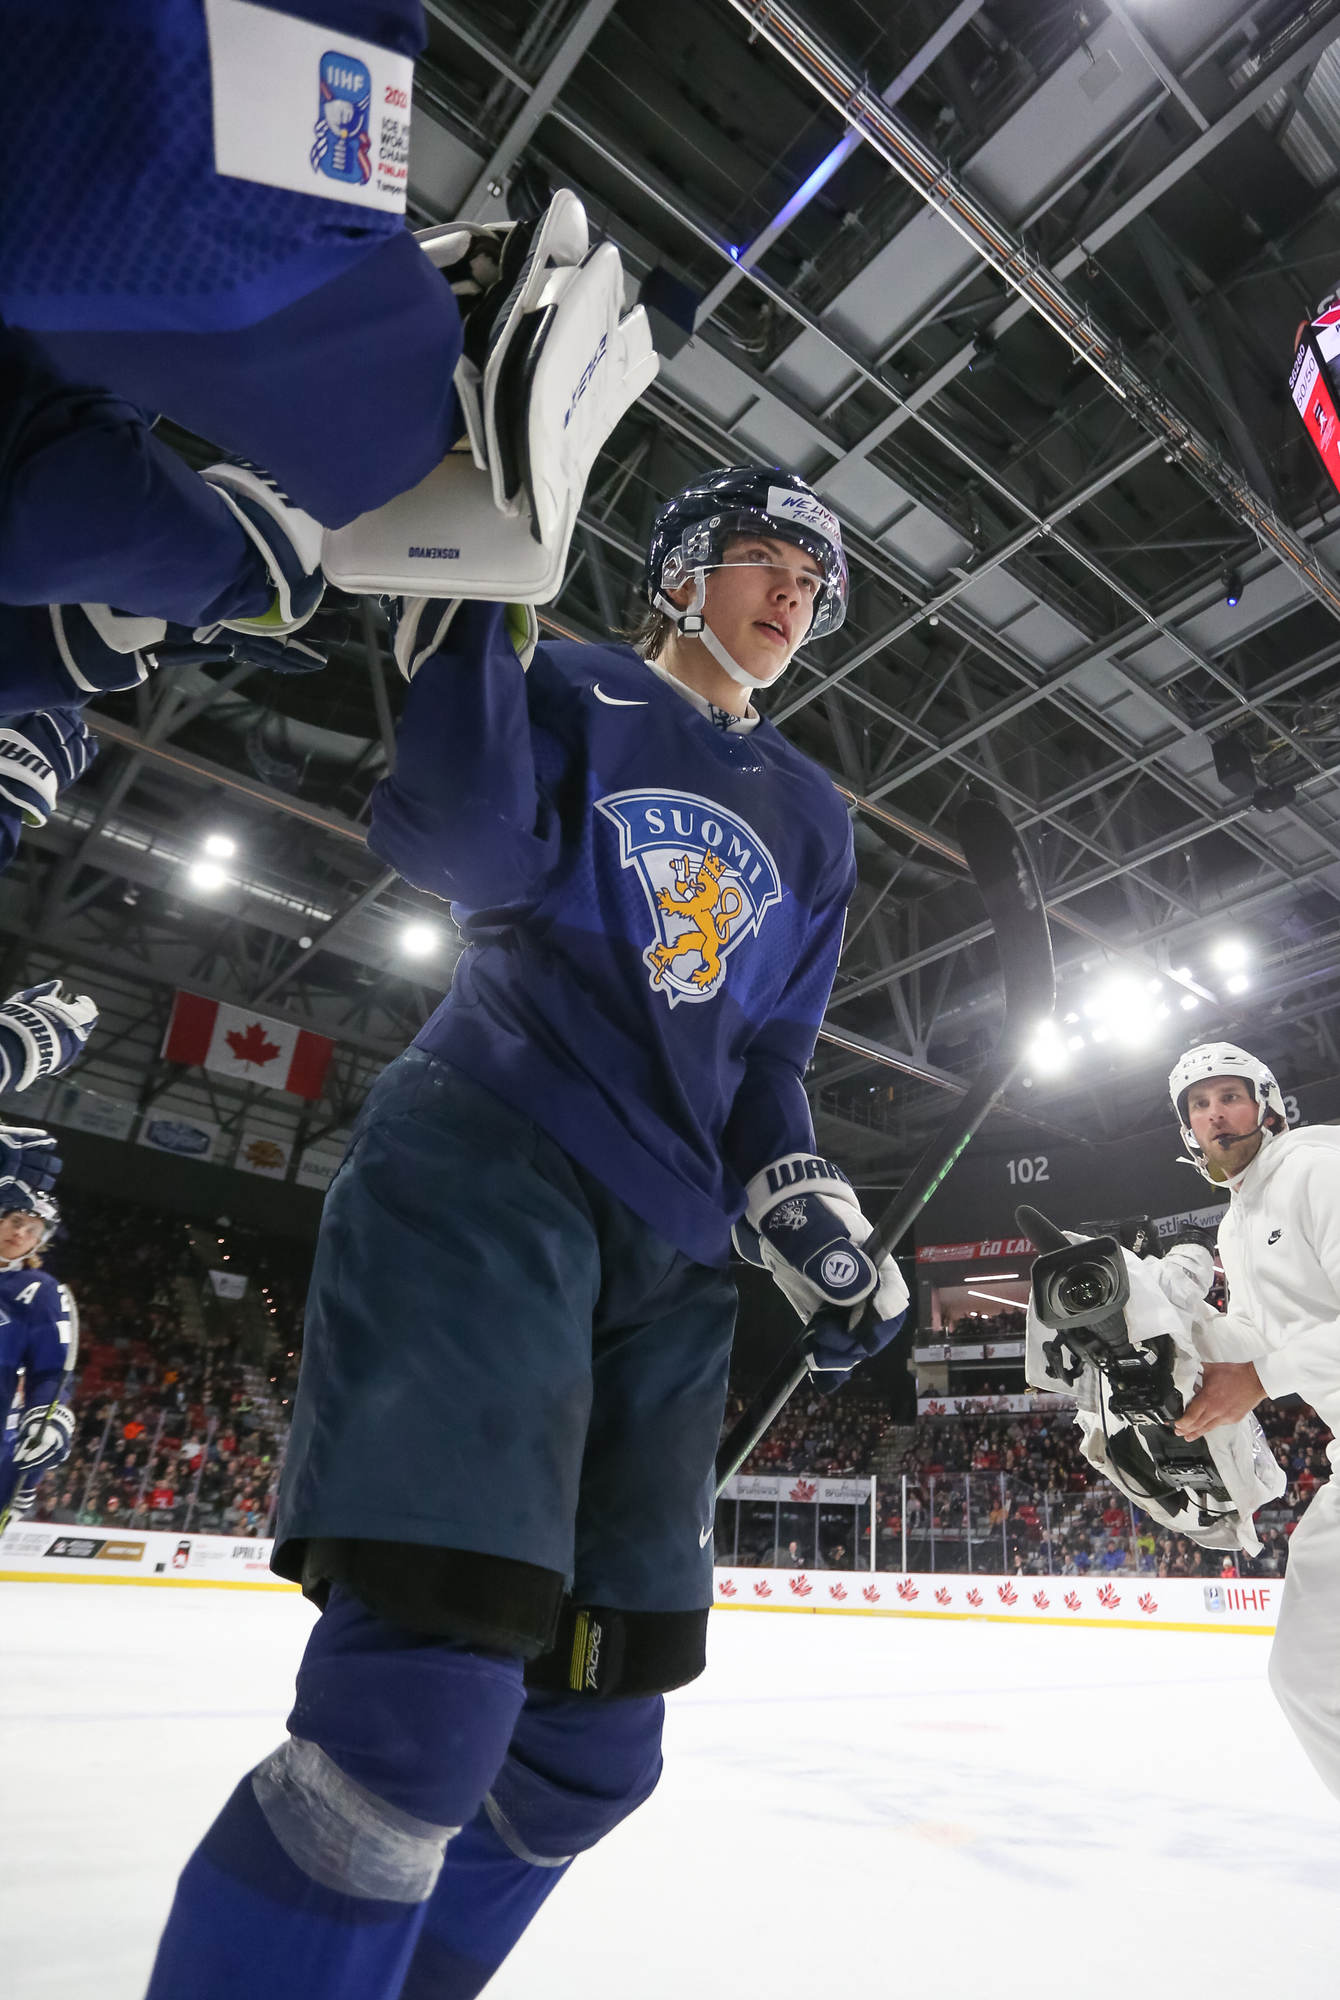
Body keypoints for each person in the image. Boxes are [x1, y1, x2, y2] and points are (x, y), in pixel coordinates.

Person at [146, 465, 908, 1999]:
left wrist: (806, 1203)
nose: (793, 599)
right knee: (417, 1714)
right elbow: (464, 855)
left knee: (594, 1746)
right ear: (682, 572)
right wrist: (479, 633)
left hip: (680, 1252)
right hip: (498, 1165)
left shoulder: (815, 819)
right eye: (762, 560)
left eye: (815, 587)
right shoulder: (573, 679)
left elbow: (767, 1064)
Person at [1168, 1041, 1340, 1800]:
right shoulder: (1236, 1223)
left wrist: (1260, 1377)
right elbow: (1250, 1349)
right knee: (1308, 1676)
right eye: (1199, 1106)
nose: (1216, 1114)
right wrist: (1159, 1319)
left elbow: (1266, 1368)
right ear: (1188, 1132)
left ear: (1266, 1104)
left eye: (1230, 1096)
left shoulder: (1315, 1168)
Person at [0, 1155, 77, 1531]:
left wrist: (48, 1417)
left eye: (33, 1230)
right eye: (16, 1222)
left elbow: (50, 1371)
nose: (21, 1234)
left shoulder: (38, 1292)